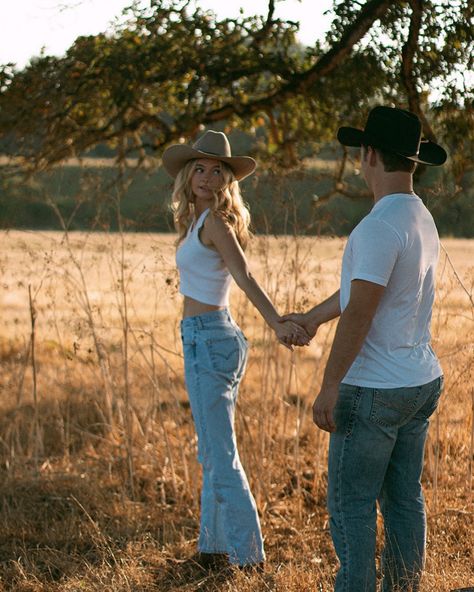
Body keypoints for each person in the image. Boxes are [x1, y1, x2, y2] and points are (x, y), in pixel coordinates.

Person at [284, 106, 447, 591]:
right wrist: (312, 317)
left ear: (369, 154)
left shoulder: (377, 227)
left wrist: (330, 386)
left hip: (375, 390)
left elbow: (361, 311)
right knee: (403, 499)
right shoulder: (419, 216)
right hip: (418, 382)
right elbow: (367, 288)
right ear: (413, 162)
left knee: (351, 505)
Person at [162, 130, 309, 570]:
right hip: (200, 336)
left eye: (218, 171)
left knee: (220, 454)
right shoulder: (196, 221)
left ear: (228, 180)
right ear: (189, 176)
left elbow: (243, 276)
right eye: (201, 169)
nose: (208, 178)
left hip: (211, 337)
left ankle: (249, 559)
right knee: (210, 450)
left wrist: (277, 323)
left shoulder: (215, 223)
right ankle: (213, 551)